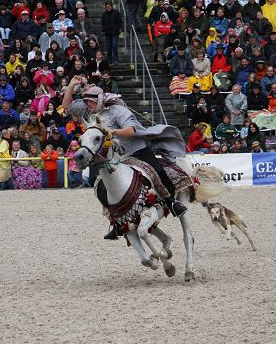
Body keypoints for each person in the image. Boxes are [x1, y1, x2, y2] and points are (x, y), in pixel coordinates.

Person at [62, 75, 187, 240]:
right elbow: (65, 106)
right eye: (86, 102)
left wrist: (112, 132)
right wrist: (71, 84)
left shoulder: (118, 110)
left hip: (136, 150)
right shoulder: (88, 110)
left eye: (91, 102)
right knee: (102, 187)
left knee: (157, 173)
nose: (88, 105)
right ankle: (116, 223)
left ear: (99, 100)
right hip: (116, 156)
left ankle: (172, 203)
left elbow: (132, 130)